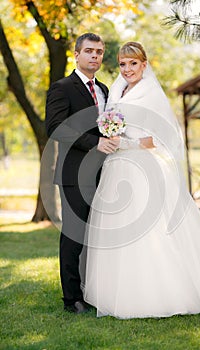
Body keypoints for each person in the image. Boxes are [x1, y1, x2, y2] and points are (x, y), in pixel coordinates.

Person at [84, 42, 200, 318]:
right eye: (123, 64)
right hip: (117, 169)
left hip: (143, 167)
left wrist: (125, 145)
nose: (128, 69)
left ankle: (158, 293)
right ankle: (120, 292)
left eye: (134, 63)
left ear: (144, 64)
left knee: (149, 231)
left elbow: (161, 138)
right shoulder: (116, 90)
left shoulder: (151, 94)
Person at [45, 33, 119, 314]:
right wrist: (95, 143)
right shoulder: (62, 87)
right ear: (76, 55)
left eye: (99, 52)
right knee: (75, 236)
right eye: (89, 51)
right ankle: (72, 300)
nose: (95, 56)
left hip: (105, 173)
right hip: (74, 173)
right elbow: (55, 127)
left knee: (98, 236)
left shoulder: (104, 89)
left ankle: (93, 291)